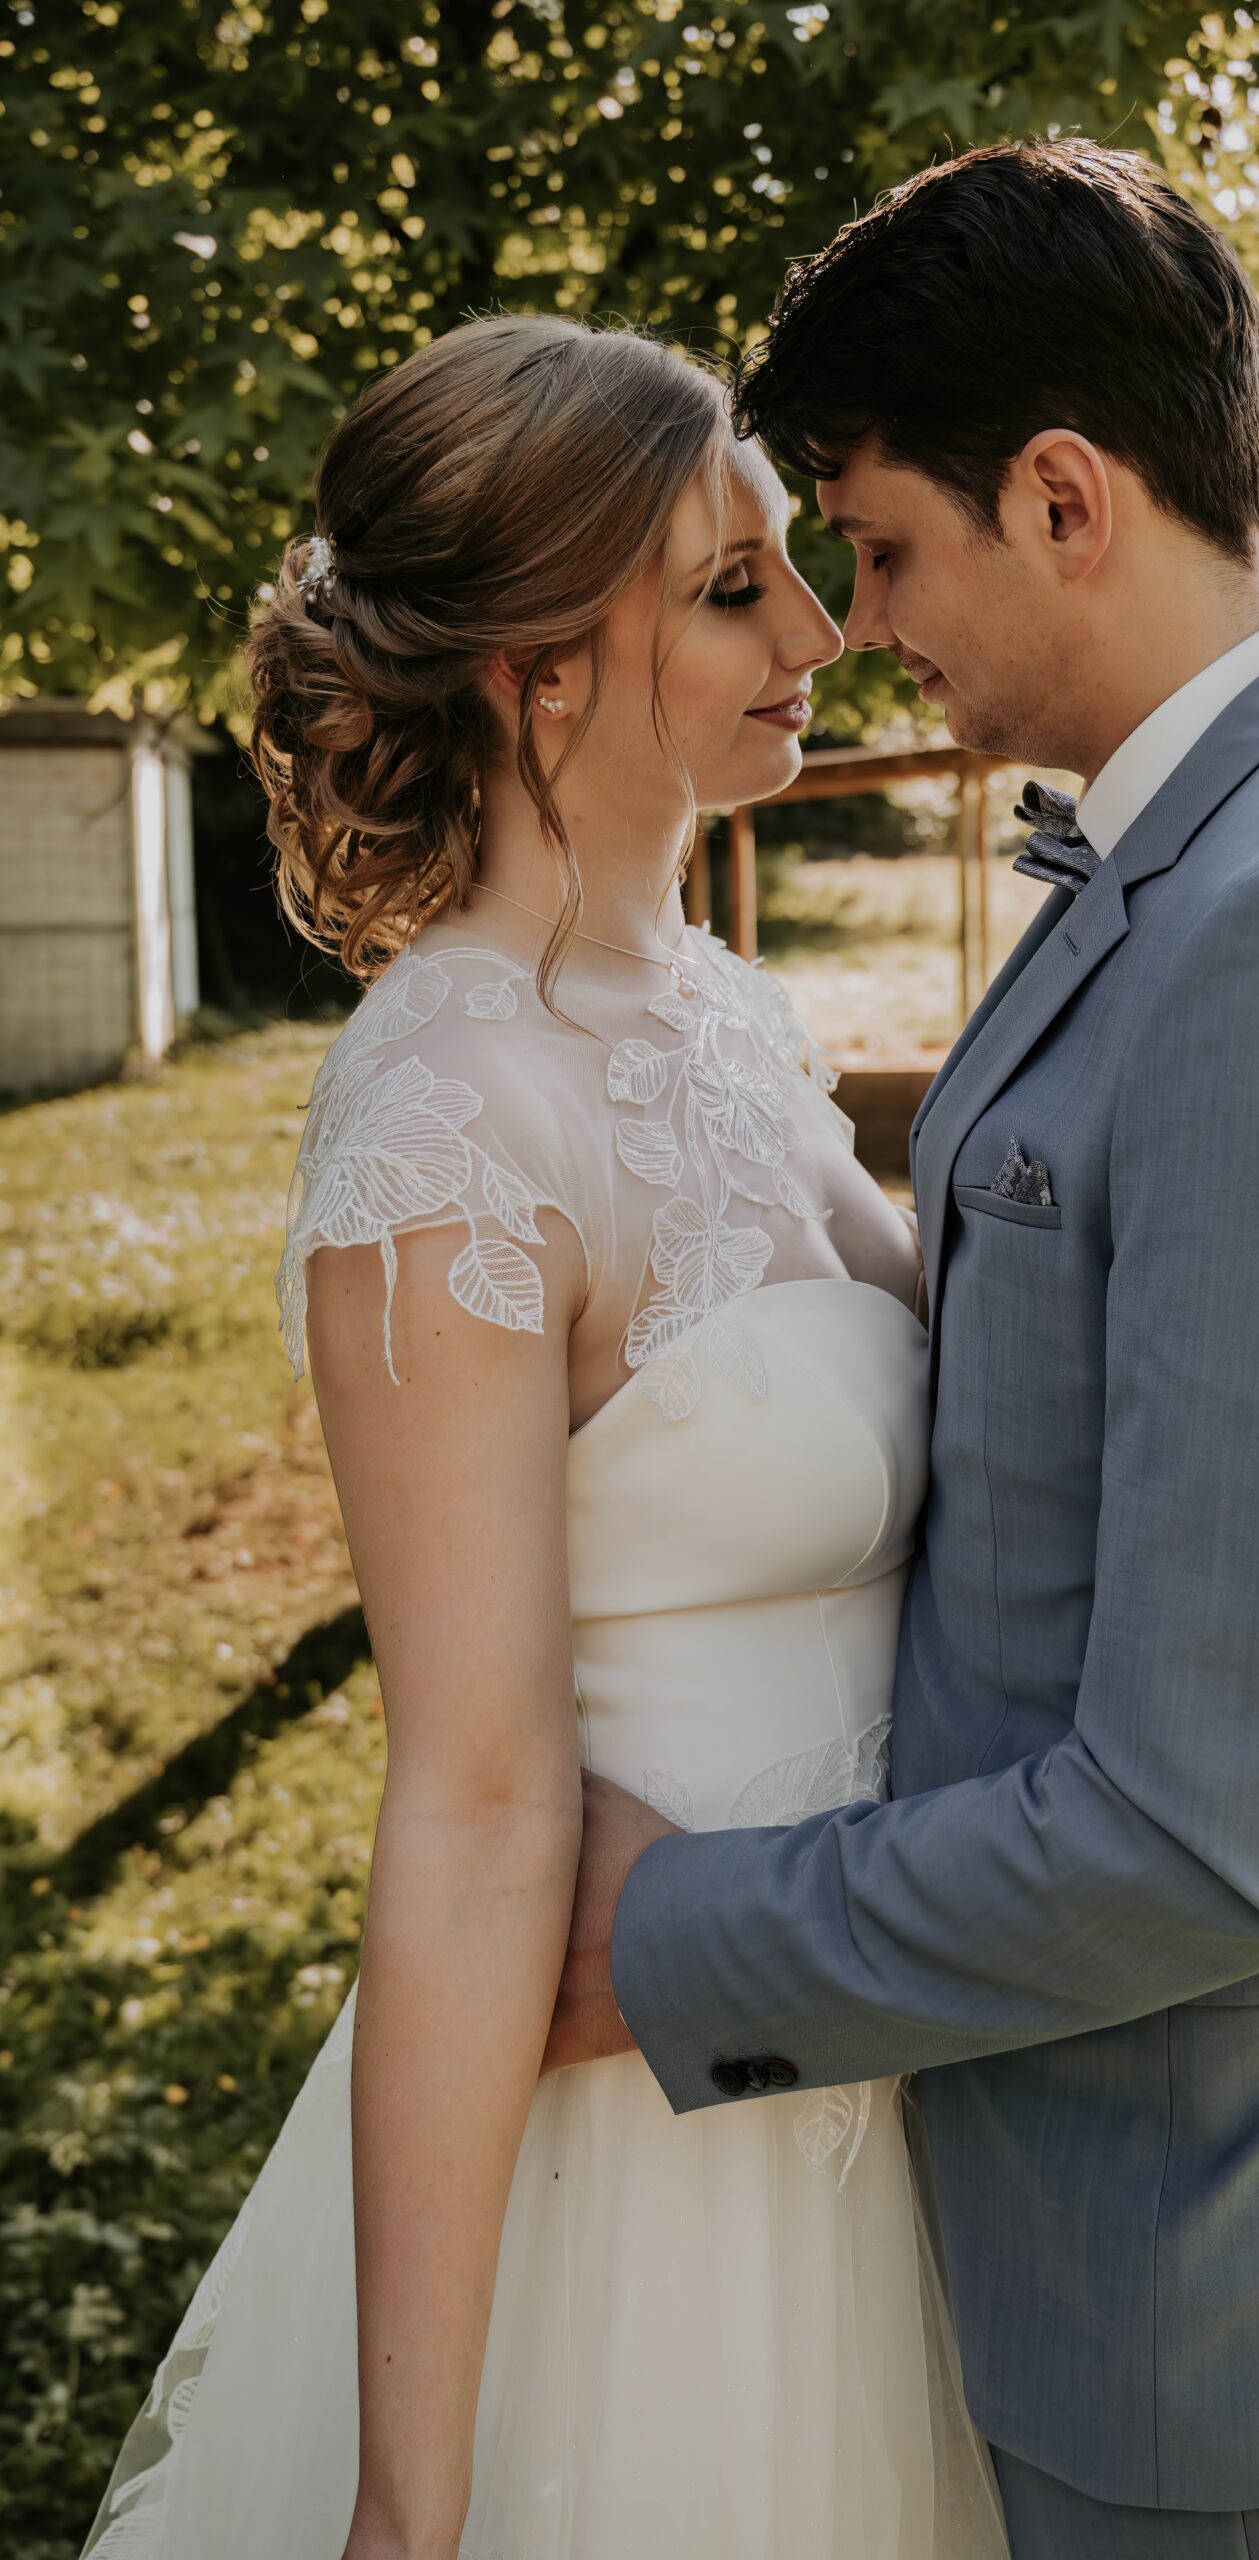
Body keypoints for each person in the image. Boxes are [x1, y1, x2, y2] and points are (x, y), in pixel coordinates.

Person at [552, 142, 1259, 2560]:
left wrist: (655, 1938)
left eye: (883, 546)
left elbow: (1219, 1828)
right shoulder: (1195, 851)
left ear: (1063, 494)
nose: (852, 621)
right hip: (1065, 2214)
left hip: (1208, 2290)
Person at [77, 313, 1008, 2560]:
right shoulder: (441, 1110)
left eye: (796, 563)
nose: (819, 632)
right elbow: (479, 1799)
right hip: (645, 2166)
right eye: (728, 588)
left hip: (884, 2073)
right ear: (530, 670)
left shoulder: (729, 1010)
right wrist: (413, 2503)